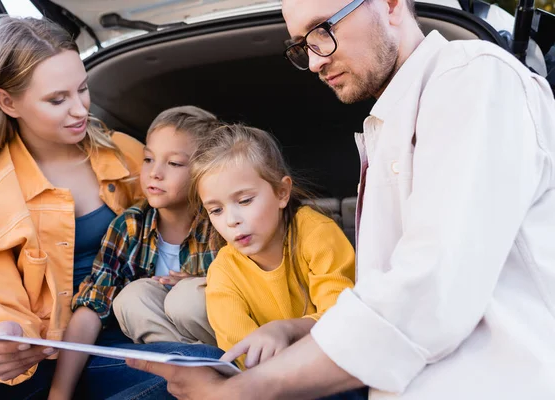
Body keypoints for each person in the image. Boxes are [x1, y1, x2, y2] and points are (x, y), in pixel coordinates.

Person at [125, 0, 555, 399]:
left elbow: (427, 293)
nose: (313, 61)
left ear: (388, 4)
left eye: (322, 30)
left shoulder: (474, 77)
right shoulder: (385, 128)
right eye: (301, 45)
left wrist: (243, 391)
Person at [0, 17, 221, 399]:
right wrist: (3, 334)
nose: (80, 109)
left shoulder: (127, 156)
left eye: (82, 89)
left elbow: (196, 224)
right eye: (57, 100)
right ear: (7, 101)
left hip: (124, 341)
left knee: (199, 367)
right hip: (40, 350)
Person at [48, 106, 222, 399]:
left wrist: (206, 283)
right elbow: (92, 305)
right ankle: (186, 376)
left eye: (175, 164)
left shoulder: (221, 224)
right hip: (158, 353)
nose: (155, 172)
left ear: (206, 170)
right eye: (149, 159)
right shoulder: (129, 226)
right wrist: (59, 392)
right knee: (132, 297)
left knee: (188, 297)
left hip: (224, 339)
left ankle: (224, 374)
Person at [188, 124, 356, 371]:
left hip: (337, 369)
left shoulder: (317, 233)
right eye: (216, 210)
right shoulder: (223, 271)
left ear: (281, 192)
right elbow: (243, 357)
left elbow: (344, 320)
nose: (231, 219)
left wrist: (285, 330)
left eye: (244, 201)